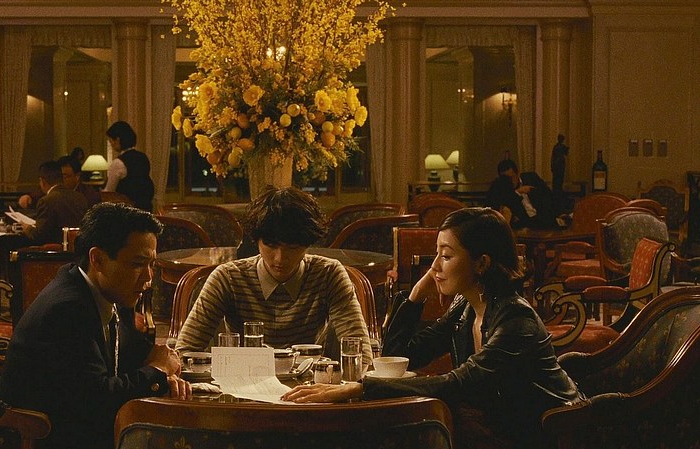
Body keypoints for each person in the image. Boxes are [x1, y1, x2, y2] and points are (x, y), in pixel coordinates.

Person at [281, 208, 583, 449]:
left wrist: (359, 388)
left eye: (446, 256)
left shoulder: (516, 321)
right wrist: (415, 297)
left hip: (552, 434)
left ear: (482, 263)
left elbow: (455, 384)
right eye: (436, 254)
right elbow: (398, 358)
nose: (434, 266)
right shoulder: (465, 308)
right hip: (500, 427)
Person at [2, 202, 191, 449]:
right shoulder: (67, 309)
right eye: (137, 264)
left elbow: (130, 352)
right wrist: (157, 371)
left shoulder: (109, 291)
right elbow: (98, 400)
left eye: (151, 264)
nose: (148, 277)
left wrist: (162, 369)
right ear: (98, 259)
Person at [176, 186, 373, 365]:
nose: (280, 258)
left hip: (309, 385)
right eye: (271, 246)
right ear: (257, 240)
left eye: (292, 248)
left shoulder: (328, 274)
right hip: (245, 382)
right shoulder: (228, 278)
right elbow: (184, 351)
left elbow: (362, 354)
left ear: (307, 244)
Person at [21, 160, 89, 245]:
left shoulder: (46, 201)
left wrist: (27, 228)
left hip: (54, 249)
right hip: (77, 247)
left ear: (43, 181)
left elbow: (39, 236)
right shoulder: (80, 197)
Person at [486, 158, 557, 229]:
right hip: (524, 224)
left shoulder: (531, 178)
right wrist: (518, 192)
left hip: (543, 218)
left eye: (512, 177)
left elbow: (548, 195)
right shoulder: (500, 189)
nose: (510, 181)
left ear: (517, 173)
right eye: (506, 179)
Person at [104, 121, 155, 212]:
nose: (111, 144)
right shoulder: (143, 157)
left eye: (111, 141)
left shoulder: (118, 163)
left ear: (117, 140)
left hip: (126, 212)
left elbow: (109, 192)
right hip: (145, 209)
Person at [18, 155, 101, 209]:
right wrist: (28, 198)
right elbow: (38, 196)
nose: (60, 180)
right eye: (58, 176)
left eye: (65, 176)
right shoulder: (53, 191)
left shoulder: (89, 195)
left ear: (77, 176)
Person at [551, 134, 570, 210]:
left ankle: (558, 190)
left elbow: (566, 153)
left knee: (560, 179)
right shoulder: (556, 147)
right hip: (557, 165)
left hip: (560, 165)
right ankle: (557, 191)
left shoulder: (561, 147)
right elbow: (553, 157)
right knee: (557, 179)